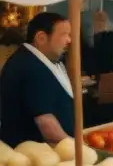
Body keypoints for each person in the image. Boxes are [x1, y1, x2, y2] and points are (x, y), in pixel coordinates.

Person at [0, 12, 74, 146]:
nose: (69, 40)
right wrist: (75, 149)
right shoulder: (30, 66)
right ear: (41, 38)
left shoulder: (39, 60)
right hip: (33, 156)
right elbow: (46, 123)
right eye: (64, 35)